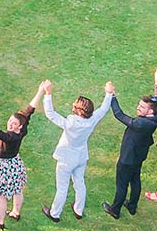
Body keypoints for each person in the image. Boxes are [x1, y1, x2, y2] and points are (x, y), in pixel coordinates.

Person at [40, 79, 114, 222]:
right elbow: (104, 109)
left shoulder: (71, 123)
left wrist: (48, 94)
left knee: (62, 187)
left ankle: (55, 214)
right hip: (81, 157)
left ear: (79, 111)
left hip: (66, 159)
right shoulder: (92, 119)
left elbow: (50, 114)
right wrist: (109, 93)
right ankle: (78, 210)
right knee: (79, 183)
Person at [0, 84, 44, 229]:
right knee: (17, 189)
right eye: (10, 121)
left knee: (1, 195)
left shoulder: (10, 137)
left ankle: (0, 222)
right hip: (15, 163)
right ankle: (16, 212)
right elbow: (30, 110)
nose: (10, 124)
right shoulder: (22, 129)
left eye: (14, 123)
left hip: (4, 167)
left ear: (19, 127)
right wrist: (40, 91)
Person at [101, 69, 157, 219]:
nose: (138, 108)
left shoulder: (140, 123)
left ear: (150, 111)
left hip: (128, 157)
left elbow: (119, 115)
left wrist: (111, 96)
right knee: (135, 180)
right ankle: (132, 205)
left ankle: (115, 209)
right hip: (139, 154)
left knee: (122, 184)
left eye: (142, 107)